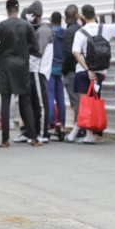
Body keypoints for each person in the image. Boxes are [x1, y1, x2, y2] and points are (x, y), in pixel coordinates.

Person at [68, 5, 115, 144]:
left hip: (82, 74)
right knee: (93, 99)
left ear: (83, 16)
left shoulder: (80, 33)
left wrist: (87, 70)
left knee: (84, 103)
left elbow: (76, 53)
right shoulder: (105, 29)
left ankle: (85, 134)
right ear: (95, 14)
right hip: (98, 76)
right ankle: (83, 134)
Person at [0, 0, 41, 148]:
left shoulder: (1, 26)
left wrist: (3, 53)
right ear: (18, 10)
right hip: (23, 67)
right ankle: (33, 138)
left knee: (5, 101)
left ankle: (5, 140)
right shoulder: (27, 26)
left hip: (5, 67)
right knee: (26, 102)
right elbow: (36, 48)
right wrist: (24, 51)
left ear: (7, 10)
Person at [14, 1, 53, 143]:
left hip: (38, 70)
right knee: (32, 103)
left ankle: (42, 134)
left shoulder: (43, 31)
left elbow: (38, 52)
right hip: (33, 70)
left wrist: (23, 50)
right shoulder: (39, 28)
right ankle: (31, 132)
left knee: (41, 103)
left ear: (34, 15)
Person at [62, 5, 82, 130]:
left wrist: (64, 70)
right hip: (81, 69)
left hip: (71, 72)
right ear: (76, 14)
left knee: (75, 102)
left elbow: (68, 55)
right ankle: (81, 128)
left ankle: (79, 128)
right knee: (80, 101)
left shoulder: (68, 31)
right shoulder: (81, 29)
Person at [48, 11, 66, 139]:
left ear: (51, 20)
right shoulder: (65, 33)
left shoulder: (50, 32)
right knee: (60, 97)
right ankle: (62, 124)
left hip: (50, 67)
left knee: (49, 96)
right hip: (61, 68)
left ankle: (50, 123)